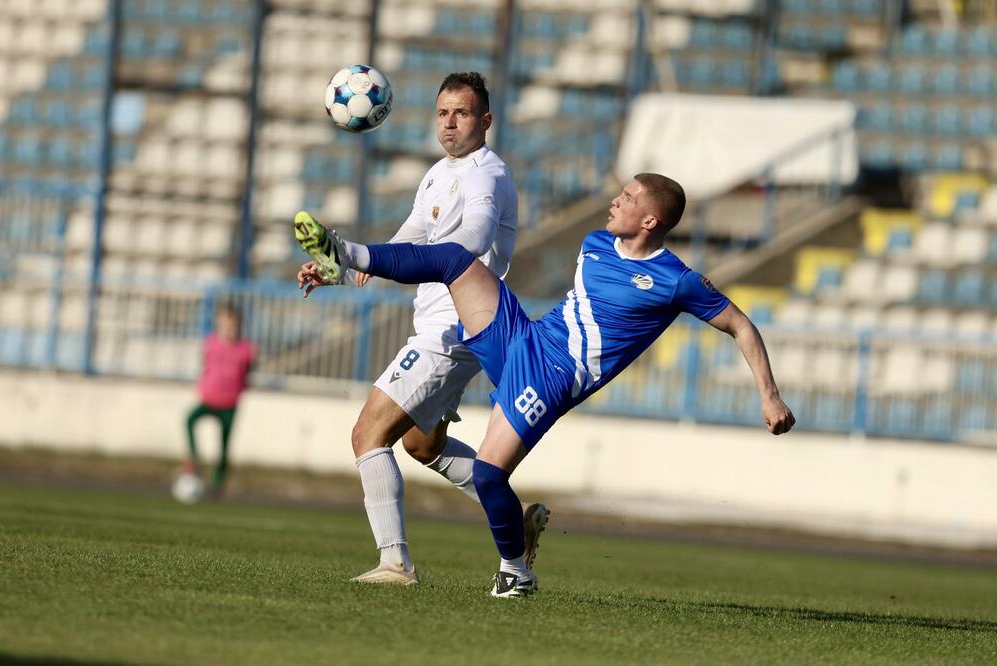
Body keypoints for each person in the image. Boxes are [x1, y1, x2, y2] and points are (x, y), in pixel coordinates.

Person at [296, 172, 796, 597]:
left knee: (490, 476)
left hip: (554, 376)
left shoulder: (676, 280)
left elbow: (741, 325)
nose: (614, 202)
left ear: (650, 220)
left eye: (627, 198)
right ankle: (346, 252)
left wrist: (769, 396)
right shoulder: (597, 242)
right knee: (453, 260)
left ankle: (516, 571)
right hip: (526, 336)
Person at [295, 71, 548, 586]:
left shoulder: (487, 174)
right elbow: (402, 247)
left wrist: (442, 253)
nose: (450, 123)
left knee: (368, 433)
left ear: (486, 120)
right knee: (422, 446)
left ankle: (395, 562)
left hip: (452, 328)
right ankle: (514, 524)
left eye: (462, 113)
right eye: (442, 113)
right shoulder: (437, 174)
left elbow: (473, 236)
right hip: (449, 327)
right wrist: (338, 270)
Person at [183, 304, 255, 498]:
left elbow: (247, 371)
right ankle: (194, 459)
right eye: (225, 325)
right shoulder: (210, 344)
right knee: (190, 420)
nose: (229, 330)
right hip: (209, 398)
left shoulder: (246, 349)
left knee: (224, 445)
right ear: (218, 325)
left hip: (230, 403)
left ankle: (217, 482)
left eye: (233, 326)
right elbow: (205, 366)